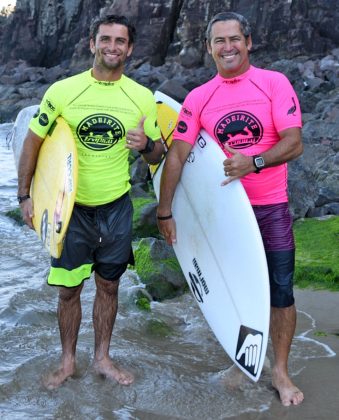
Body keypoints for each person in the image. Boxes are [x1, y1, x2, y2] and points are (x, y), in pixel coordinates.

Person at [157, 12, 304, 407]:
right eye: (219, 41)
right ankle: (243, 361)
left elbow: (294, 142)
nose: (228, 47)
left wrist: (253, 163)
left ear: (249, 42)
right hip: (223, 214)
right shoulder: (199, 98)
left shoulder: (274, 84)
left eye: (234, 39)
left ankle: (280, 370)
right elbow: (178, 156)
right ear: (209, 48)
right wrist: (165, 210)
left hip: (269, 206)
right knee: (233, 287)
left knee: (280, 291)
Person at [17, 14, 164, 390]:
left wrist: (146, 146)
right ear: (91, 43)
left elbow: (156, 155)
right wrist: (26, 196)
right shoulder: (63, 92)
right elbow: (34, 141)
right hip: (71, 208)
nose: (111, 47)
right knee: (68, 291)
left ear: (129, 49)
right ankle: (67, 361)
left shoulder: (140, 97)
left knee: (109, 287)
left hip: (116, 206)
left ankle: (102, 357)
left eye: (120, 41)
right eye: (105, 39)